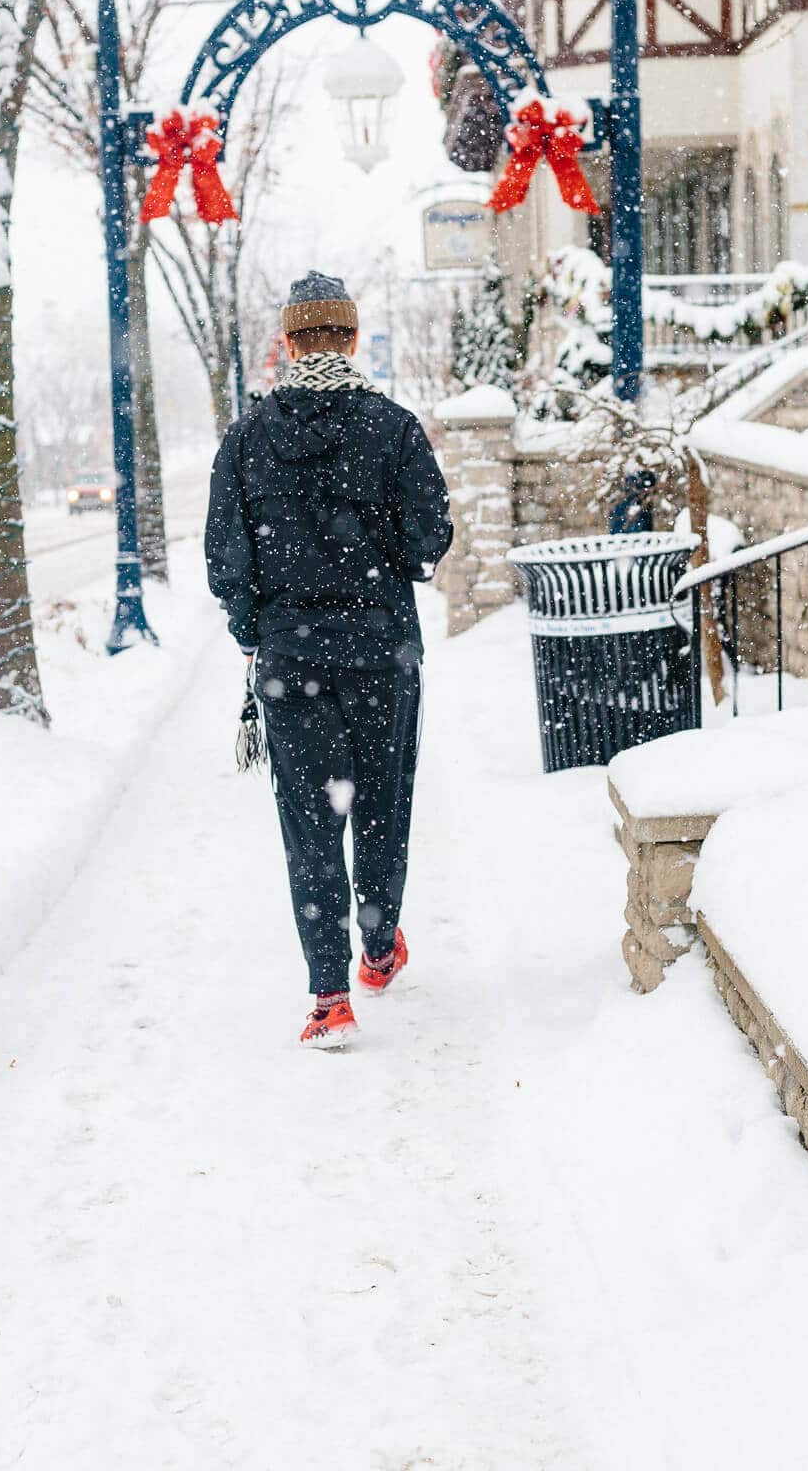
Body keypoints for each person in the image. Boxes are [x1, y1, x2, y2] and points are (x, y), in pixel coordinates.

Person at [205, 272, 453, 1048]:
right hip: (380, 652)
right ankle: (379, 950)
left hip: (289, 657)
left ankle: (328, 996)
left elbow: (225, 556)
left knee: (308, 822)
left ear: (288, 343)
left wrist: (255, 629)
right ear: (350, 337)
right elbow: (428, 541)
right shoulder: (395, 430)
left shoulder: (247, 440)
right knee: (381, 805)